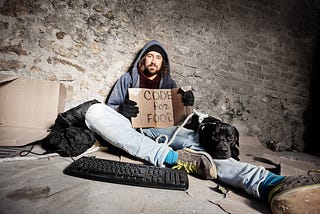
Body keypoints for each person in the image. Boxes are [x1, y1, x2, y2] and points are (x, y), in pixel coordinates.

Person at [85, 40, 319, 213]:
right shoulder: (127, 80)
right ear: (142, 60)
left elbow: (181, 117)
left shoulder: (170, 83)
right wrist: (121, 111)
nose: (153, 61)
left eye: (158, 58)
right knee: (94, 111)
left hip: (167, 130)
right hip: (134, 130)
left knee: (202, 145)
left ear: (162, 63)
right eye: (150, 57)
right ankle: (173, 159)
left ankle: (268, 183)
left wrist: (188, 105)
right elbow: (110, 108)